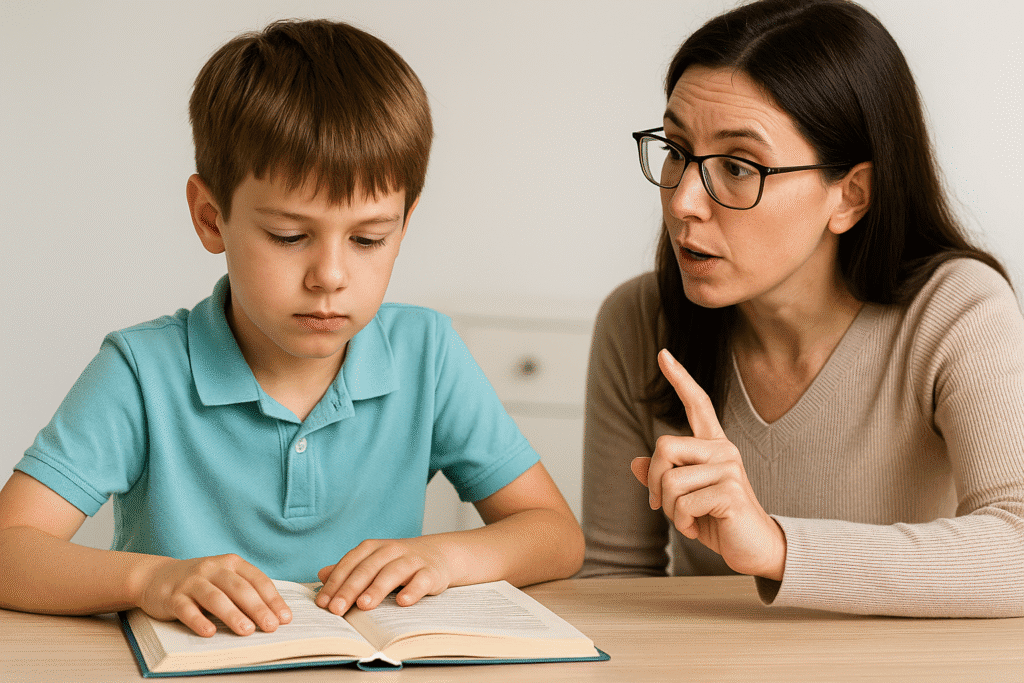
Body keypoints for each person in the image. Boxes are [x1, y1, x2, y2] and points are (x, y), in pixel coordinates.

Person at [0, 19, 582, 638]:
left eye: (368, 239)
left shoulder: (426, 354)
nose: (329, 276)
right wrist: (149, 580)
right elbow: (10, 548)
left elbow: (555, 535)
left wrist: (446, 557)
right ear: (210, 217)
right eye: (288, 236)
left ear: (404, 225)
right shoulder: (143, 370)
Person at [579, 0, 1024, 617]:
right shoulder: (638, 320)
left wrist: (776, 547)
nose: (683, 200)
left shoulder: (956, 310)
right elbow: (614, 587)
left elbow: (1019, 548)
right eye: (676, 150)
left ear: (851, 195)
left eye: (738, 166)